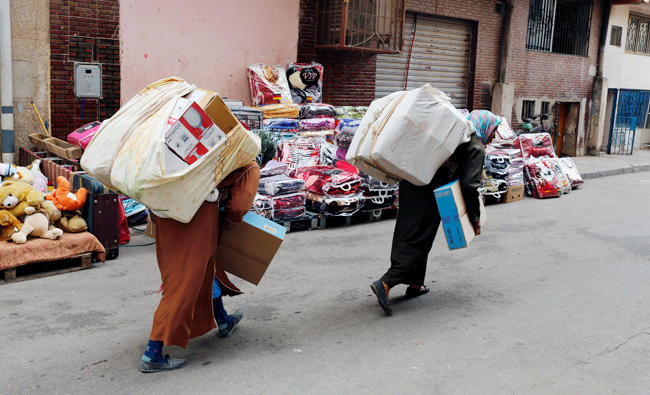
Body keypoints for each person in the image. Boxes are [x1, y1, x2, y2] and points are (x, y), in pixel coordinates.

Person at [140, 129, 276, 373]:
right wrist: (225, 223)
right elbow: (239, 206)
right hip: (197, 222)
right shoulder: (250, 166)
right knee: (182, 285)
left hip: (167, 216)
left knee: (201, 273)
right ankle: (153, 353)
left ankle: (223, 320)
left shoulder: (213, 153)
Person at [370, 110, 500, 316]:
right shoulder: (475, 147)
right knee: (419, 238)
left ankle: (415, 283)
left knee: (408, 231)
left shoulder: (455, 133)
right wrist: (474, 218)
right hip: (431, 192)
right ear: (485, 126)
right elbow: (469, 186)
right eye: (494, 130)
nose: (493, 136)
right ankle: (386, 282)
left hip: (412, 182)